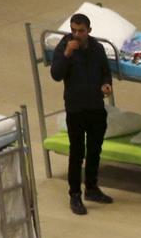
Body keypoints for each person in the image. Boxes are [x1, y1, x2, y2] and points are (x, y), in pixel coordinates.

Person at [49, 13, 114, 216]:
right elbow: (56, 74)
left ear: (89, 31)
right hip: (75, 109)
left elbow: (105, 72)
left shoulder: (97, 48)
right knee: (77, 153)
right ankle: (75, 195)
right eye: (73, 30)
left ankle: (92, 188)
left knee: (94, 150)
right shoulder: (64, 47)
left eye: (81, 31)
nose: (76, 34)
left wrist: (106, 84)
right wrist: (67, 53)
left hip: (95, 107)